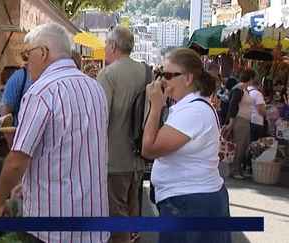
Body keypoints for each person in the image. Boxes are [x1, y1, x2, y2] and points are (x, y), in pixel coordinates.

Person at [0, 23, 110, 243]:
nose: (26, 64)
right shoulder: (95, 88)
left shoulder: (41, 92)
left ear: (43, 52)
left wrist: (0, 199)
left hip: (51, 226)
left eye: (27, 56)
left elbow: (18, 159)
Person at [141, 48, 231, 243]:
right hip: (191, 200)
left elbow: (149, 149)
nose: (162, 81)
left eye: (167, 75)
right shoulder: (193, 107)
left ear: (188, 78)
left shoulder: (193, 112)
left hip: (189, 203)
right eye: (160, 74)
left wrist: (156, 106)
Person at [97, 25, 151, 243]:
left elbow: (102, 116)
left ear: (112, 45)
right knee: (132, 206)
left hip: (114, 156)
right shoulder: (146, 71)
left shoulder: (108, 74)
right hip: (139, 154)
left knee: (115, 211)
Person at [226, 69, 256, 179]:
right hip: (240, 119)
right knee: (237, 145)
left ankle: (239, 168)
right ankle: (233, 170)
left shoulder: (245, 90)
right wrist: (231, 122)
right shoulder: (238, 90)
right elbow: (233, 106)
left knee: (243, 145)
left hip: (246, 119)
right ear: (251, 79)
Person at [245, 75, 268, 174]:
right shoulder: (257, 94)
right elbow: (261, 110)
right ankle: (251, 166)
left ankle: (245, 165)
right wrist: (267, 115)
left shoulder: (245, 91)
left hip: (247, 119)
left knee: (248, 143)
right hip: (256, 122)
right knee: (255, 145)